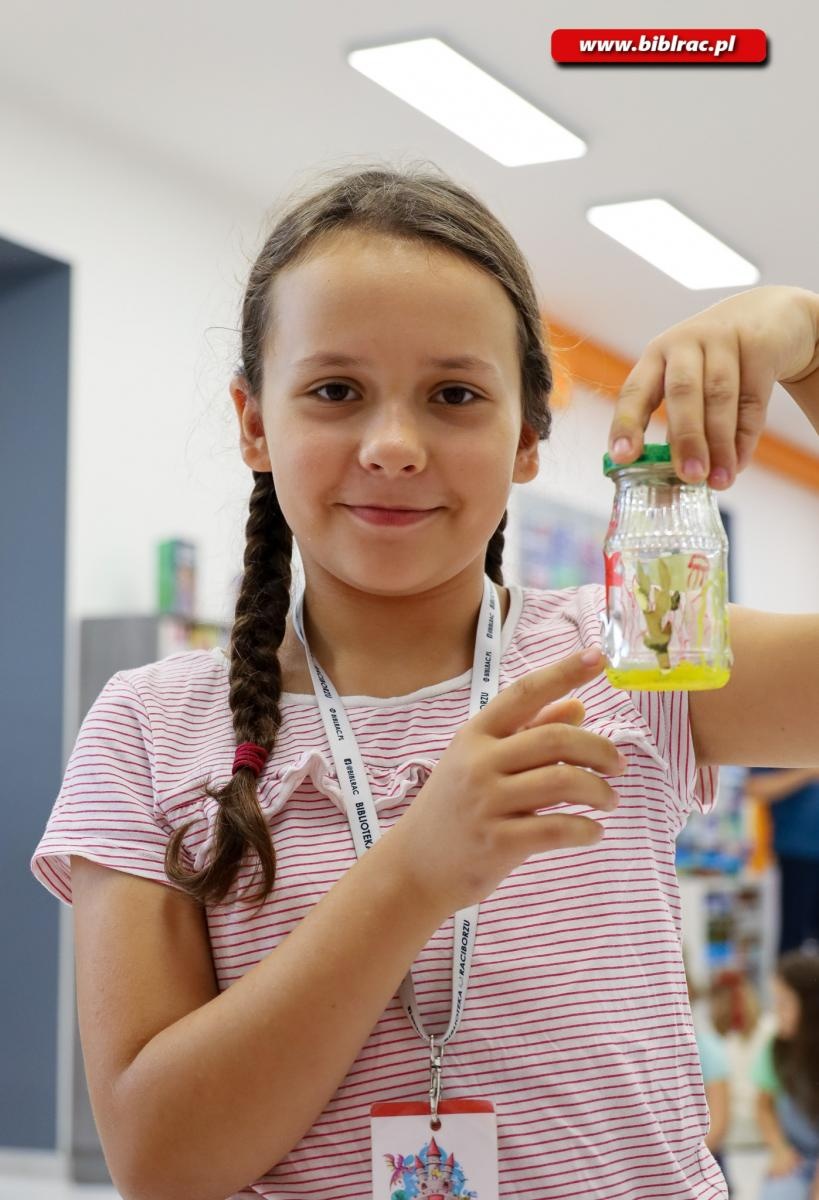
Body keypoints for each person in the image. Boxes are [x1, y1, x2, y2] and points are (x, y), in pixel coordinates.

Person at [30, 164, 819, 1200]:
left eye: (454, 395)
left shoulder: (636, 652)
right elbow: (160, 1159)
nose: (394, 446)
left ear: (529, 435)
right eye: (335, 391)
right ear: (254, 422)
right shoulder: (151, 725)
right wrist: (416, 873)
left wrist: (804, 332)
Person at [753, 951, 819, 1199]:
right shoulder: (775, 1049)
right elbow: (763, 1107)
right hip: (796, 1157)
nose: (775, 1011)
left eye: (784, 1003)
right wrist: (779, 1148)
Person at [745, 768, 819, 953]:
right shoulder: (782, 742)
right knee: (792, 940)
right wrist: (809, 771)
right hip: (796, 855)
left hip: (800, 851)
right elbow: (756, 787)